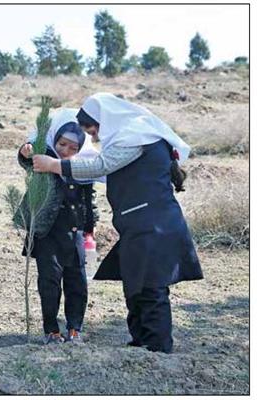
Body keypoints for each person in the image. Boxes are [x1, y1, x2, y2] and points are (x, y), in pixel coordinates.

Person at [31, 92, 203, 353]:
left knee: (151, 288)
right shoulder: (134, 136)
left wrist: (56, 165)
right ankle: (141, 344)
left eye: (92, 130)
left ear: (105, 119)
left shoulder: (135, 137)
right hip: (140, 225)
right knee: (136, 285)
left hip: (153, 225)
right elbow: (98, 168)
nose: (94, 137)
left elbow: (101, 166)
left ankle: (158, 350)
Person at [17, 108, 100, 344]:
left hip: (74, 232)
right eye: (62, 144)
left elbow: (88, 199)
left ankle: (75, 328)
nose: (66, 151)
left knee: (77, 281)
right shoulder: (44, 158)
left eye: (73, 148)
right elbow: (27, 158)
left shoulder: (82, 166)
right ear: (55, 140)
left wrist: (90, 229)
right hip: (46, 232)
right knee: (49, 281)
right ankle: (51, 330)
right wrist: (25, 151)